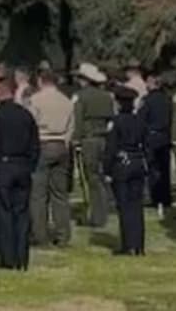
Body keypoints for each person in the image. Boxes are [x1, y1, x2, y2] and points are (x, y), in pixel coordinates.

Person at [0, 76, 40, 271]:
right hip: (23, 166)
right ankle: (22, 257)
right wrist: (31, 166)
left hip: (4, 166)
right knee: (22, 213)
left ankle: (8, 258)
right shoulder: (26, 115)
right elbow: (35, 144)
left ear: (2, 91)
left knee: (5, 213)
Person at [28, 69, 74, 247]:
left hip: (43, 143)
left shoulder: (36, 100)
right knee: (60, 194)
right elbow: (72, 126)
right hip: (61, 144)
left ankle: (40, 235)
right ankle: (63, 234)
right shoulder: (66, 101)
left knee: (38, 194)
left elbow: (30, 125)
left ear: (40, 81)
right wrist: (65, 142)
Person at [74, 63, 115, 228]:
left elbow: (77, 119)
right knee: (101, 177)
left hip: (88, 139)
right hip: (104, 138)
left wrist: (76, 140)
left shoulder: (81, 96)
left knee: (91, 178)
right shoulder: (107, 96)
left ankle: (96, 216)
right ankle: (103, 211)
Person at [107, 86, 147, 255]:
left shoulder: (116, 122)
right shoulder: (140, 120)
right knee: (137, 206)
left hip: (122, 164)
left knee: (124, 206)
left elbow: (111, 148)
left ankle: (128, 244)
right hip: (138, 162)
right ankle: (138, 245)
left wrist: (107, 169)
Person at [138, 71, 172, 220]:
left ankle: (155, 197)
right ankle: (165, 197)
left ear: (152, 84)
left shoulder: (147, 100)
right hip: (165, 136)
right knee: (164, 169)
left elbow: (141, 118)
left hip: (151, 136)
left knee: (152, 169)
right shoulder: (167, 99)